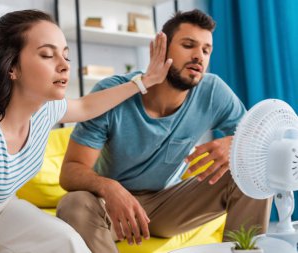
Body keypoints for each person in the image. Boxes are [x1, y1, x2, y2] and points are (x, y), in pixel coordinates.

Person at [0, 9, 172, 253]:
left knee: (68, 243)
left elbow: (86, 106)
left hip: (1, 209)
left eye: (66, 55)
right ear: (11, 68)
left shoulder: (44, 110)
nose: (64, 65)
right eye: (48, 55)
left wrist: (144, 82)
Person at [56, 9, 272, 253]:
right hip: (113, 209)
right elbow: (70, 172)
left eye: (205, 50)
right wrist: (109, 187)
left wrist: (235, 142)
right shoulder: (114, 92)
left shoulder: (213, 92)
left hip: (170, 204)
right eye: (188, 45)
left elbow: (261, 137)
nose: (198, 56)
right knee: (73, 204)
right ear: (162, 48)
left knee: (255, 168)